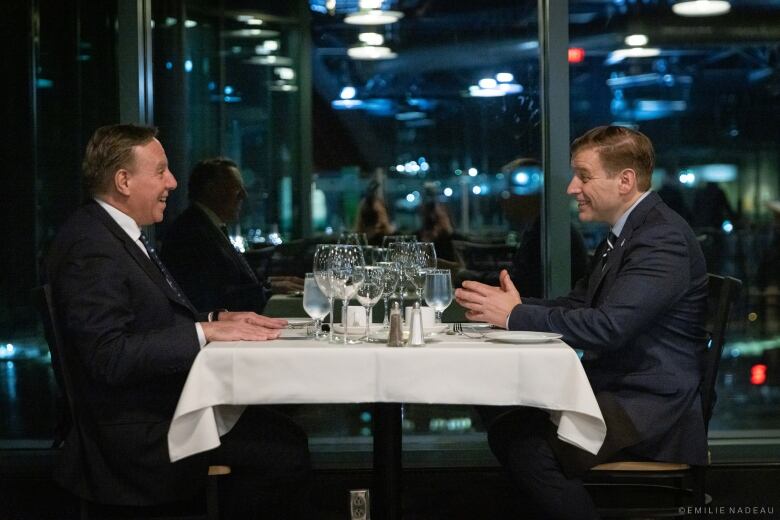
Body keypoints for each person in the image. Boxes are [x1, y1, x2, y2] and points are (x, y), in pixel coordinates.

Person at [45, 125, 310, 516]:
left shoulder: (111, 233)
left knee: (282, 432)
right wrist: (204, 330)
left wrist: (216, 318)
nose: (171, 181)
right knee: (284, 449)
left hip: (154, 411)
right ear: (123, 181)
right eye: (160, 171)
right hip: (134, 437)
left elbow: (147, 319)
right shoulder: (92, 247)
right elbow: (108, 356)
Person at [455, 126, 708, 519]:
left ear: (625, 180)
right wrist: (514, 307)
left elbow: (607, 327)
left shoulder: (661, 239)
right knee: (508, 421)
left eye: (584, 176)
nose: (572, 188)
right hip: (622, 390)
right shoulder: (628, 233)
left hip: (650, 407)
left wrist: (514, 315)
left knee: (525, 445)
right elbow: (579, 303)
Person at [160, 157, 302, 314]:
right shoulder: (190, 232)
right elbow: (211, 296)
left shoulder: (205, 225)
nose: (243, 196)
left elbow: (228, 280)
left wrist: (270, 283)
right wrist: (267, 289)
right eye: (236, 188)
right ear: (212, 190)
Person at [354, 180, 394, 246]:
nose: (372, 218)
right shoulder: (356, 242)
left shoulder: (391, 241)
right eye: (368, 215)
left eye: (376, 214)